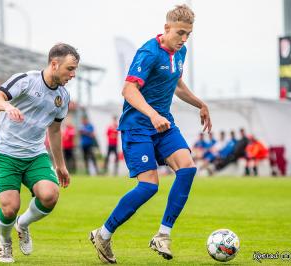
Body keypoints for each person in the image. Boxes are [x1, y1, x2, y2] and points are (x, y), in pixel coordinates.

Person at [89, 5, 212, 263]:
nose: (184, 39)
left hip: (163, 125)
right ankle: (103, 234)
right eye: (180, 33)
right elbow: (128, 89)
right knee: (148, 187)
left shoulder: (181, 52)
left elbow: (177, 85)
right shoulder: (148, 52)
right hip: (137, 127)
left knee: (188, 168)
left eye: (188, 34)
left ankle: (163, 235)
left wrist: (200, 103)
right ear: (166, 28)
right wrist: (152, 114)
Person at [0, 43, 79, 263]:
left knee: (50, 195)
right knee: (10, 208)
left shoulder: (63, 97)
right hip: (5, 153)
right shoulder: (26, 80)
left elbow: (55, 130)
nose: (73, 74)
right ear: (54, 64)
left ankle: (23, 224)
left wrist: (60, 165)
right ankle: (5, 241)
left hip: (34, 154)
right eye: (70, 68)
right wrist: (8, 107)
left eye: (75, 69)